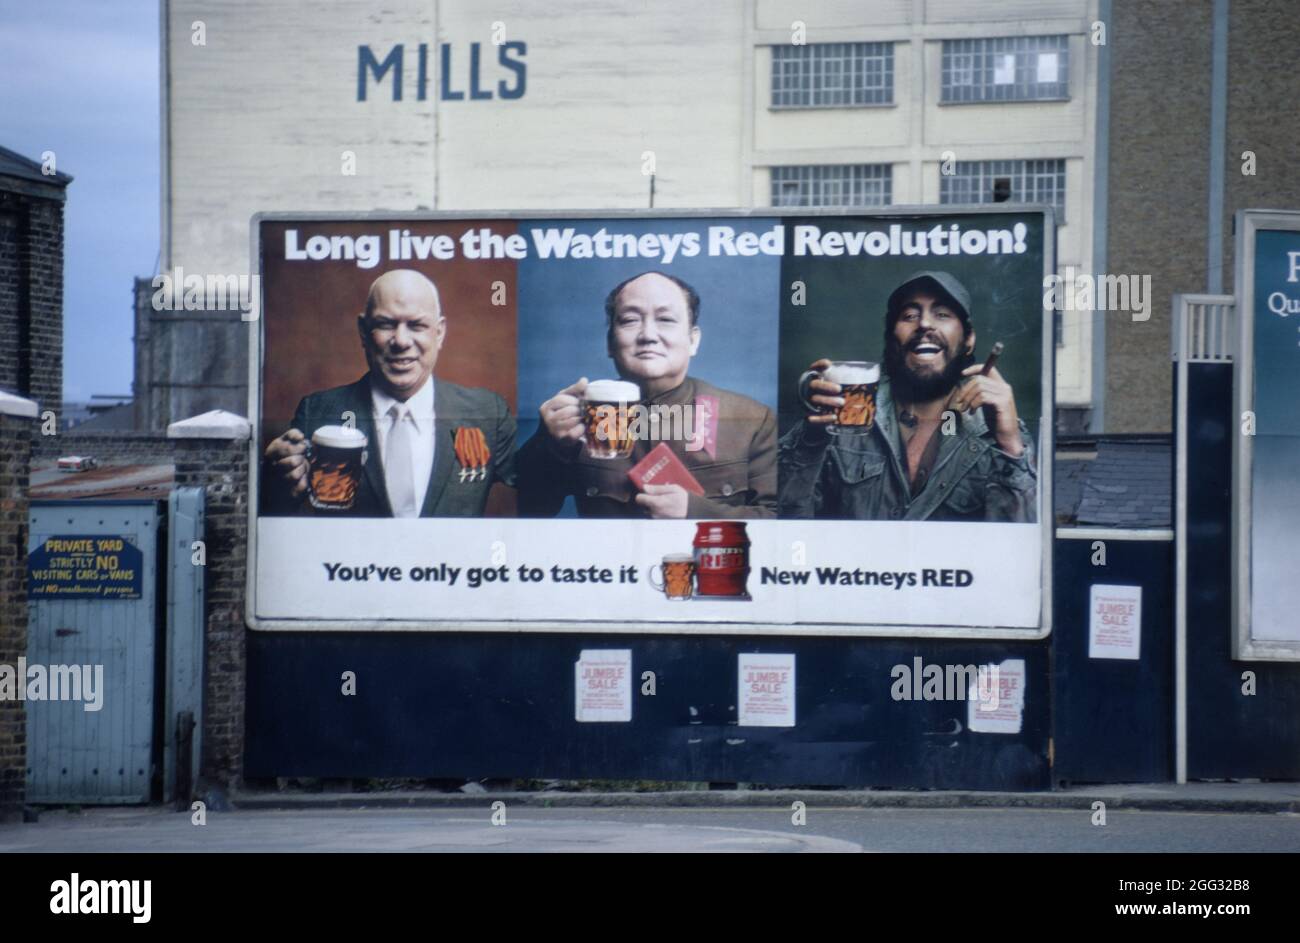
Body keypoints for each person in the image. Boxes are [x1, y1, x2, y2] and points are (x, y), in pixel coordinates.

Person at [779, 270, 1036, 522]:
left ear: (968, 339)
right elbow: (789, 521)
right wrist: (811, 440)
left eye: (942, 314)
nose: (924, 324)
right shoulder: (843, 414)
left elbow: (1018, 546)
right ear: (892, 338)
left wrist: (1010, 446)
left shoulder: (1001, 431)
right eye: (910, 315)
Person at [518, 271, 777, 518]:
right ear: (610, 343)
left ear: (693, 340)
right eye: (630, 320)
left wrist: (696, 512)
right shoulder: (578, 419)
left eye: (665, 319)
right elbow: (526, 511)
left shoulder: (751, 419)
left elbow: (780, 519)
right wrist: (550, 445)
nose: (648, 336)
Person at [262, 269, 516, 517]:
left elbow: (538, 495)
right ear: (363, 331)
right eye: (386, 324)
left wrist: (554, 447)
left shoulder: (486, 412)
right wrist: (273, 480)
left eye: (417, 325)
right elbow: (276, 512)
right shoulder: (317, 412)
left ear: (439, 333)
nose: (401, 341)